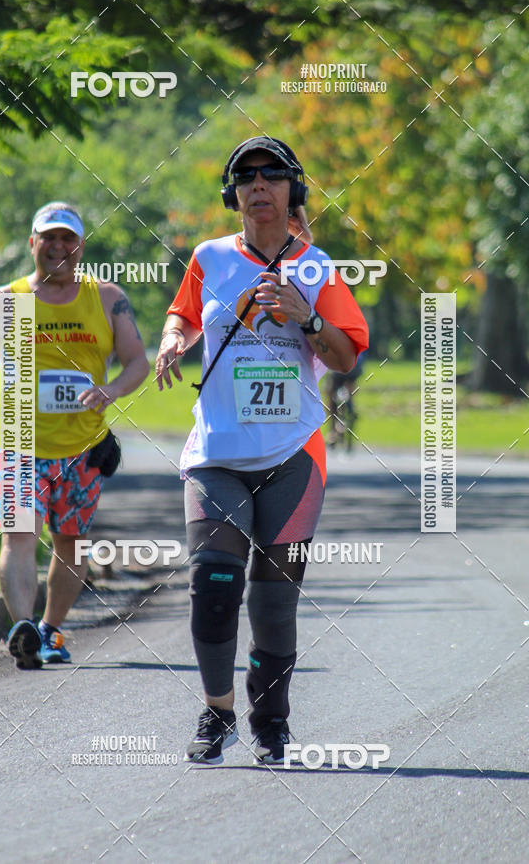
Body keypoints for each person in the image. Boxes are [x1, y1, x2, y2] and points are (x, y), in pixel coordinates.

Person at [155, 137, 369, 764]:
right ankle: (217, 710)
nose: (258, 185)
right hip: (216, 454)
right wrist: (173, 340)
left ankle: (270, 720)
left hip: (292, 458)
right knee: (214, 583)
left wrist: (306, 318)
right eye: (245, 176)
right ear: (233, 194)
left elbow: (346, 354)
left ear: (291, 189)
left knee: (274, 603)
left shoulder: (317, 266)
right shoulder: (210, 257)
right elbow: (183, 315)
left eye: (271, 175)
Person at [0, 202, 149, 669]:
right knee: (18, 535)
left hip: (82, 445)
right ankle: (23, 626)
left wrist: (112, 389)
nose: (58, 247)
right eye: (48, 238)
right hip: (18, 439)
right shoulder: (8, 301)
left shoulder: (105, 298)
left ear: (80, 247)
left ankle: (50, 628)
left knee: (72, 542)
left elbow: (136, 358)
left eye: (67, 239)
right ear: (33, 243)